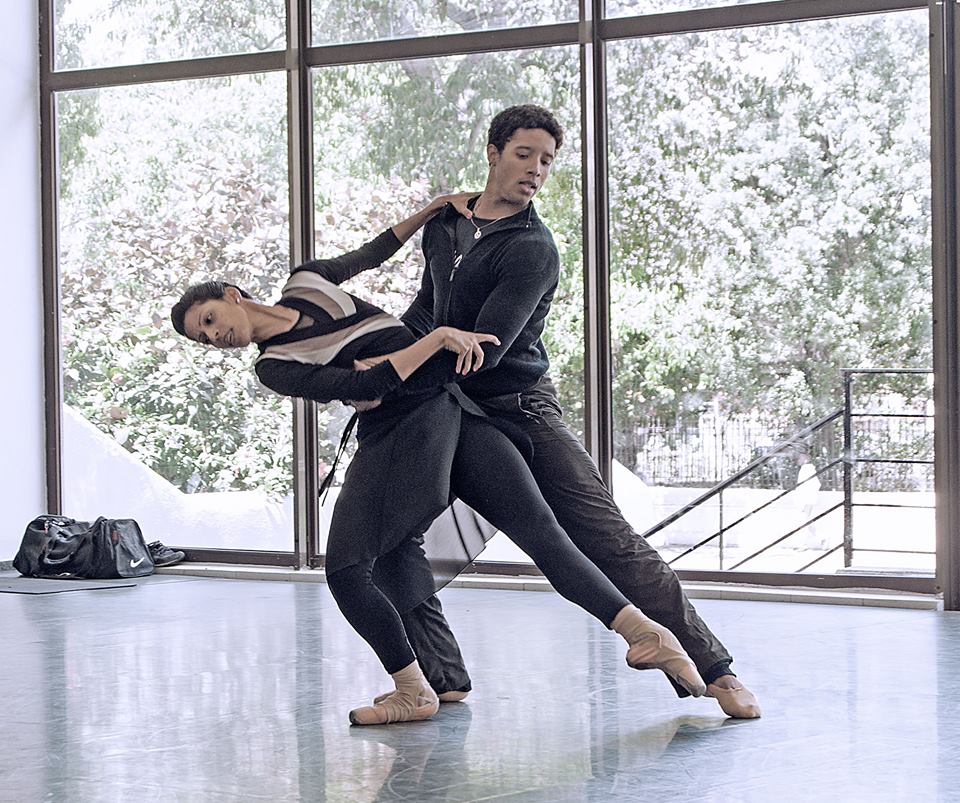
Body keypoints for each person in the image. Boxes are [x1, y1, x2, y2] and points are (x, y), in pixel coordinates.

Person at [171, 194, 708, 725]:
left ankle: (414, 691)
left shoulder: (307, 282)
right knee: (528, 534)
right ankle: (638, 632)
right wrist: (435, 340)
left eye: (210, 319)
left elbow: (374, 253)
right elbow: (366, 385)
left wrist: (432, 209)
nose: (216, 336)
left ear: (232, 294)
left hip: (414, 425)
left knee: (348, 571)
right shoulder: (275, 366)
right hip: (448, 408)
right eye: (205, 337)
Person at [387, 104, 761, 719]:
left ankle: (716, 669)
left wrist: (403, 366)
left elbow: (486, 349)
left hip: (519, 411)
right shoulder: (446, 227)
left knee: (607, 542)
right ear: (493, 153)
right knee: (390, 535)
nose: (535, 170)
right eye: (524, 155)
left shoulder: (533, 248)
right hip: (447, 410)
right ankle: (440, 677)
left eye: (546, 161)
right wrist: (379, 355)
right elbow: (428, 312)